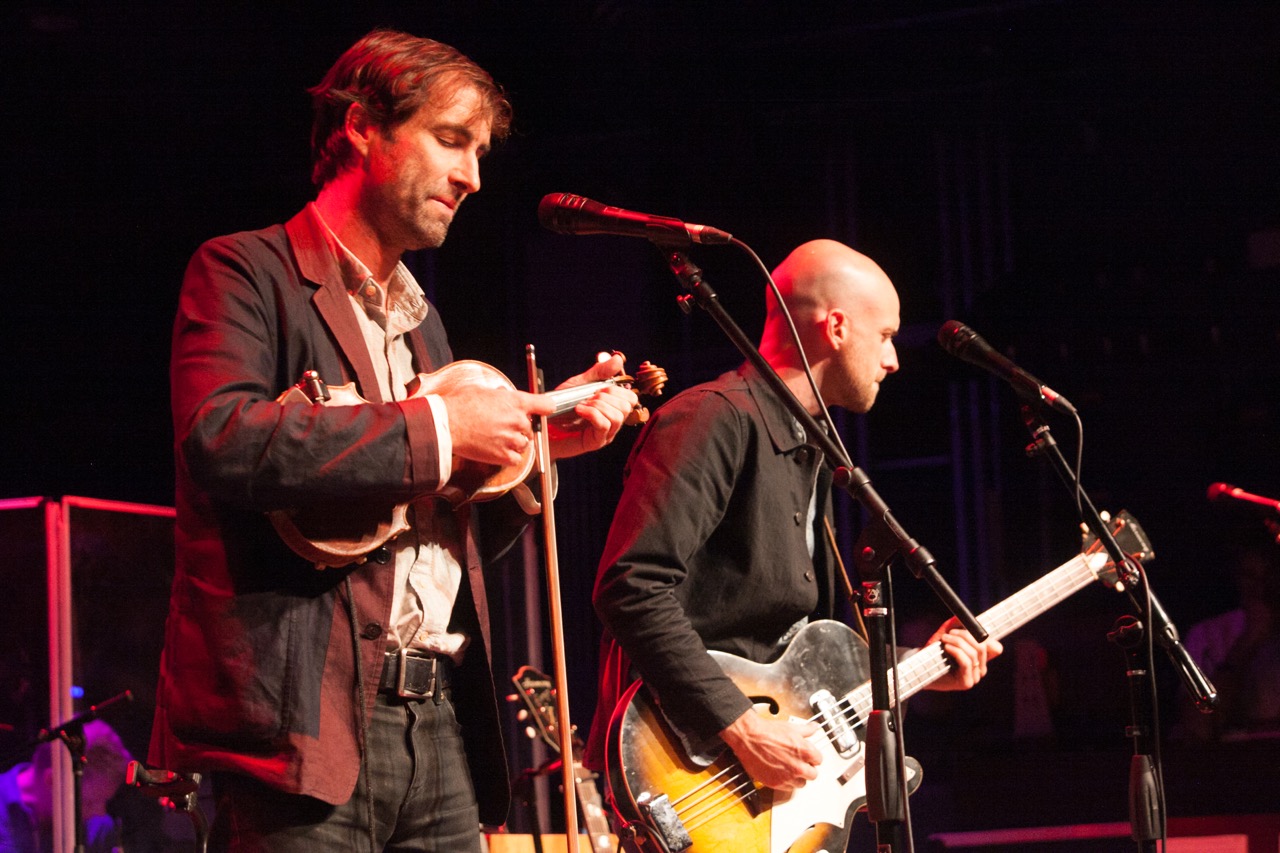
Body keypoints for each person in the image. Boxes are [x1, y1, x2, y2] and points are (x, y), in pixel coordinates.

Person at [148, 29, 638, 852]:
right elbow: (221, 437)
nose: (472, 176)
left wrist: (534, 455)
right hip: (304, 728)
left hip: (435, 723)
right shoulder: (244, 271)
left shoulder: (424, 325)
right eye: (450, 139)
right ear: (361, 127)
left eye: (479, 152)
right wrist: (445, 426)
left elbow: (431, 529)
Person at [587, 239, 1003, 795]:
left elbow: (790, 655)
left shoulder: (811, 446)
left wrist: (916, 666)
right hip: (689, 770)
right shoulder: (712, 419)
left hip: (758, 778)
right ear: (837, 327)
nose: (893, 360)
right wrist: (741, 727)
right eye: (884, 336)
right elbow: (630, 587)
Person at [0, 720, 131, 853]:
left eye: (105, 801)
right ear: (52, 781)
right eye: (89, 803)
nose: (100, 813)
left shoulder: (98, 828)